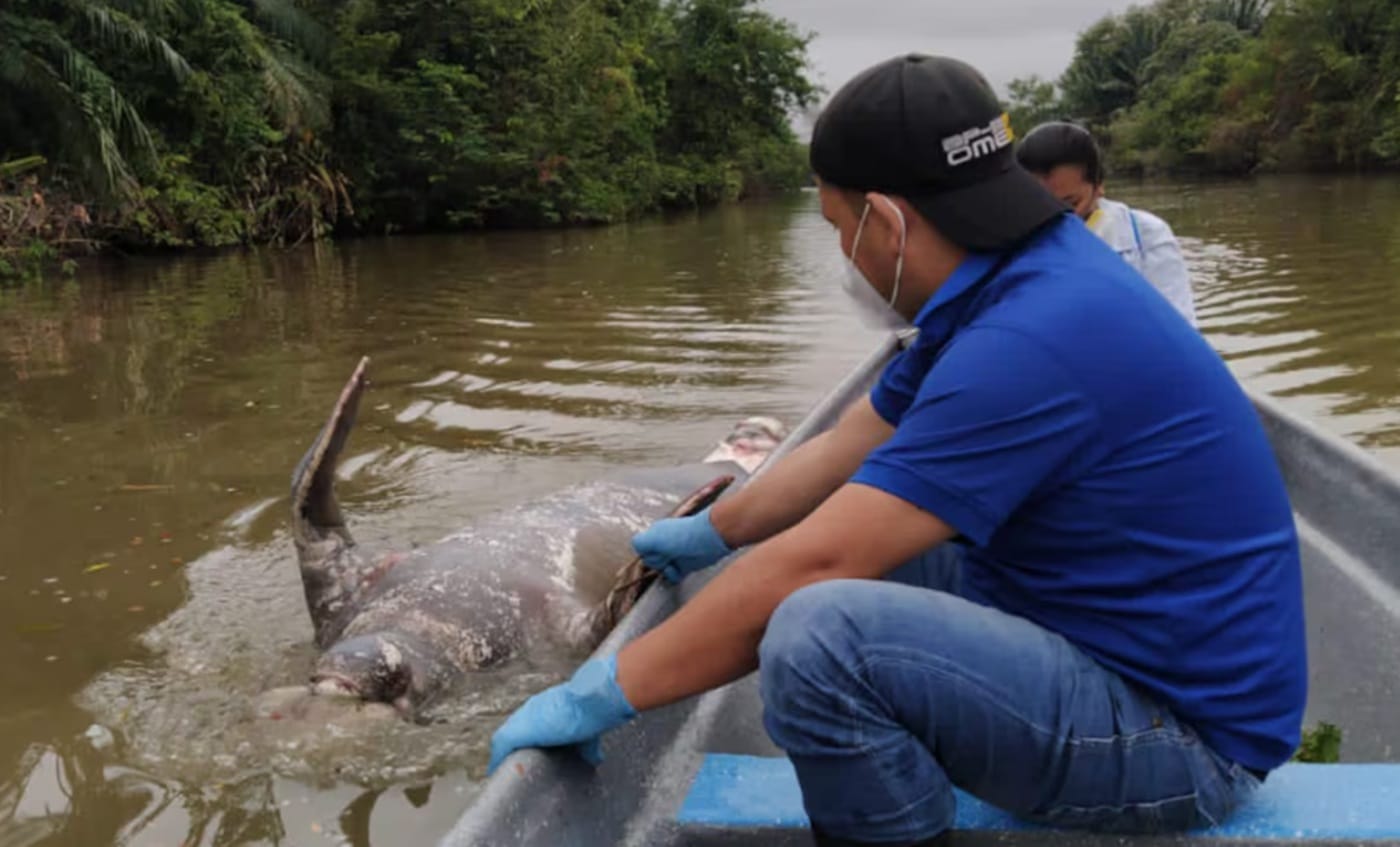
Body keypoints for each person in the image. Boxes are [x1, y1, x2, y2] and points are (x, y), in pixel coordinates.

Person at [488, 54, 1307, 847]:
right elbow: (854, 439)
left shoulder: (1032, 337)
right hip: (1107, 636)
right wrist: (718, 531)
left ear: (886, 222)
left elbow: (813, 567)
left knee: (817, 634)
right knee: (820, 559)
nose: (844, 251)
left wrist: (602, 690)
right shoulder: (1020, 278)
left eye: (839, 227)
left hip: (1190, 741)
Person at [1015, 120, 1198, 326]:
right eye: (1041, 203)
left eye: (1071, 204)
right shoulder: (1009, 241)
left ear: (1099, 185)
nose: (1054, 216)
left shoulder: (1146, 236)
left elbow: (1178, 326)